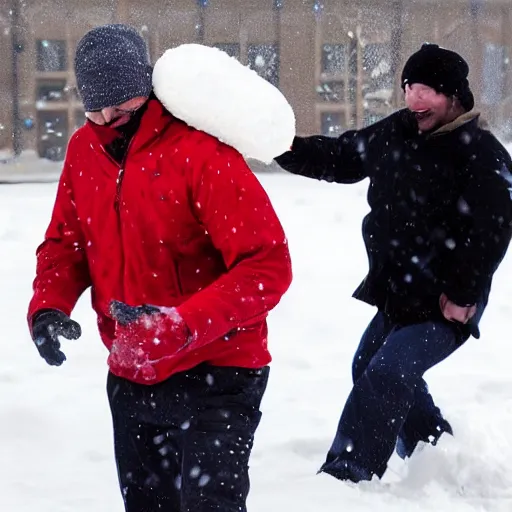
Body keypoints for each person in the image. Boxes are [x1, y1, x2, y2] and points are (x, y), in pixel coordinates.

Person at [28, 24, 292, 511]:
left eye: (122, 103)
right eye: (96, 106)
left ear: (146, 89)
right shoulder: (83, 152)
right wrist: (48, 306)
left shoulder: (201, 153)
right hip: (132, 372)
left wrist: (182, 325)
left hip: (219, 372)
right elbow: (65, 244)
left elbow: (268, 264)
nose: (108, 117)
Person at [275, 43, 512, 483]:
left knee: (388, 372)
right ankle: (436, 451)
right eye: (409, 87)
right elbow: (343, 157)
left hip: (446, 303)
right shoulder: (397, 132)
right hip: (401, 291)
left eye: (428, 90)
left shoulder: (483, 154)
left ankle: (347, 474)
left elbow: (492, 233)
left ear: (455, 97)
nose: (415, 99)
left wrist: (463, 296)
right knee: (368, 367)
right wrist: (280, 144)